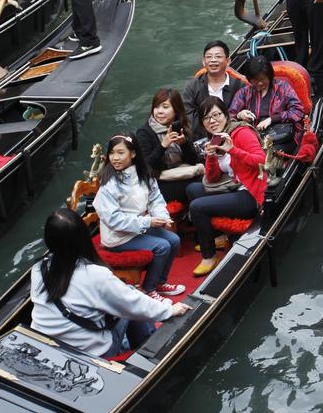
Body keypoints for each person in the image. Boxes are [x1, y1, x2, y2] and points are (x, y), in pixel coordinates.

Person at [30, 209, 189, 358]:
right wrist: (169, 310)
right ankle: (147, 349)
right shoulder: (95, 275)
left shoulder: (38, 269)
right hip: (91, 352)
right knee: (131, 293)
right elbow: (133, 304)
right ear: (83, 238)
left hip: (46, 345)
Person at [93, 133, 185, 301]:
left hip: (137, 227)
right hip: (117, 237)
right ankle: (149, 289)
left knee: (174, 240)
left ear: (133, 154)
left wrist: (163, 217)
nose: (115, 158)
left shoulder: (144, 174)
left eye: (121, 153)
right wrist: (148, 221)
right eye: (112, 153)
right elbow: (113, 220)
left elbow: (155, 199)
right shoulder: (108, 185)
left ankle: (160, 282)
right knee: (162, 246)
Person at [186, 97, 266, 276]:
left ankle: (209, 257)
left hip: (251, 193)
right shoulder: (215, 139)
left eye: (216, 115)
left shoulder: (241, 133)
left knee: (197, 207)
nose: (212, 121)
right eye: (207, 118)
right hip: (234, 186)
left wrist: (233, 150)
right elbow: (212, 178)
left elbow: (262, 160)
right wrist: (211, 157)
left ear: (226, 115)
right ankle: (219, 237)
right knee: (192, 189)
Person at [137, 88, 204, 204]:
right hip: (157, 183)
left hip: (181, 174)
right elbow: (145, 168)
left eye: (165, 107)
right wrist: (163, 146)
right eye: (156, 107)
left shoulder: (181, 128)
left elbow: (193, 161)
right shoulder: (144, 133)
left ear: (176, 110)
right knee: (197, 185)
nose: (159, 111)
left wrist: (184, 144)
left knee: (204, 180)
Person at [230, 56, 305, 145]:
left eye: (263, 79)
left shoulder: (283, 87)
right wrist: (239, 115)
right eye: (255, 80)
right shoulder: (244, 92)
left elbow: (298, 111)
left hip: (281, 137)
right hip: (253, 139)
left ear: (269, 76)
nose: (259, 83)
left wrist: (272, 119)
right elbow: (229, 116)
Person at [183, 40, 247, 135]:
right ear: (204, 61)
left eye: (218, 56)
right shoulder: (192, 86)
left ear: (228, 61)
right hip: (202, 138)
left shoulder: (240, 85)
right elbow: (187, 117)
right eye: (209, 57)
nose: (213, 60)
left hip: (233, 135)